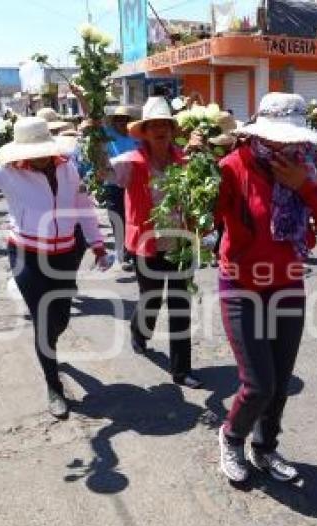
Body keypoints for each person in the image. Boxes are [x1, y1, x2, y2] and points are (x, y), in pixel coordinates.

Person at [214, 93, 317, 483]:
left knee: (280, 382)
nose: (287, 145)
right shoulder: (232, 166)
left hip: (287, 285)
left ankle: (265, 448)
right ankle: (231, 438)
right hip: (242, 285)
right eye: (278, 138)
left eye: (292, 138)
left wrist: (304, 186)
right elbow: (202, 216)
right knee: (258, 385)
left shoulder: (306, 168)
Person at [0, 116, 108, 418]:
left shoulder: (68, 168)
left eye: (43, 149)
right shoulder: (8, 172)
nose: (40, 156)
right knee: (44, 320)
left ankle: (50, 350)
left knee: (60, 319)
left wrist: (98, 245)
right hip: (26, 256)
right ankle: (53, 384)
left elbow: (84, 207)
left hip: (64, 255)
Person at [110, 97, 200, 389]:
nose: (161, 130)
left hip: (181, 244)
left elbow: (201, 196)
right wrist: (92, 130)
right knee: (151, 299)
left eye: (165, 125)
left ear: (173, 130)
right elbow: (102, 174)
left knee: (180, 306)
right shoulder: (130, 163)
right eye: (154, 125)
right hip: (147, 245)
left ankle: (181, 369)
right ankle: (139, 331)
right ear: (145, 131)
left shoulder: (187, 161)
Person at [103, 107, 139, 270]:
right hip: (113, 184)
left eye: (125, 119)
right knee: (117, 219)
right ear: (113, 121)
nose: (122, 122)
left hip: (134, 184)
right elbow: (93, 118)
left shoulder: (137, 136)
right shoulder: (108, 134)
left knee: (133, 218)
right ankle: (123, 254)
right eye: (118, 119)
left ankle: (132, 251)